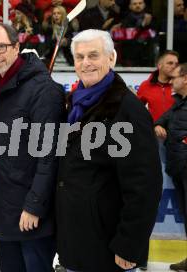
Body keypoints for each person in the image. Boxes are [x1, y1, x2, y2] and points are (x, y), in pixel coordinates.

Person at [56, 29, 162, 272]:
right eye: (80, 57)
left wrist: (129, 244)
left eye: (93, 55)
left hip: (109, 248)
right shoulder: (76, 103)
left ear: (111, 58)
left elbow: (144, 185)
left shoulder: (128, 109)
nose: (86, 63)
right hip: (76, 244)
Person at [0, 23, 65, 272]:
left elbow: (49, 155)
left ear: (17, 47)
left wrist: (34, 206)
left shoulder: (43, 90)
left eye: (1, 47)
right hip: (7, 208)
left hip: (31, 213)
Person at [154, 63, 187, 272]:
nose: (171, 80)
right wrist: (158, 125)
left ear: (185, 79)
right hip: (179, 168)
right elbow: (159, 121)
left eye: (174, 77)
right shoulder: (177, 103)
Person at [137, 50, 179, 122]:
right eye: (170, 63)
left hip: (178, 132)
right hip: (155, 131)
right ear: (159, 65)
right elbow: (136, 110)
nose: (174, 66)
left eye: (176, 64)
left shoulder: (181, 85)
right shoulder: (146, 85)